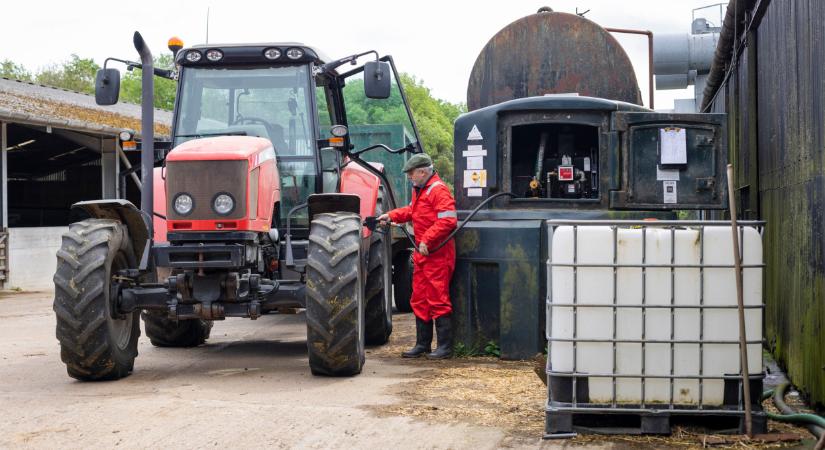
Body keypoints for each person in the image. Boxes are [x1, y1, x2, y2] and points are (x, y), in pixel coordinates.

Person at [378, 153, 457, 359]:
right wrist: (392, 215)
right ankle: (422, 344)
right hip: (424, 255)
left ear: (423, 172)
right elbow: (413, 211)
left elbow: (448, 221)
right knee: (419, 298)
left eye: (411, 173)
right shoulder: (420, 190)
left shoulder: (439, 191)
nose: (409, 177)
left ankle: (445, 348)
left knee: (438, 299)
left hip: (438, 253)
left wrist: (426, 240)